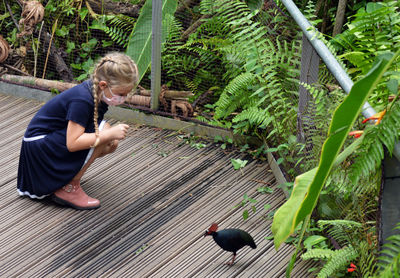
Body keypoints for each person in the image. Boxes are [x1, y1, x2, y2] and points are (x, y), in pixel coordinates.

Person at [17, 52, 139, 210]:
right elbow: (72, 143)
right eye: (121, 94)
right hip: (38, 149)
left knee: (105, 133)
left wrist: (107, 138)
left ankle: (67, 177)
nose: (123, 98)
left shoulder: (95, 93)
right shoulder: (82, 100)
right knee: (104, 132)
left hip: (46, 143)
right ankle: (69, 188)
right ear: (103, 85)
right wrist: (107, 135)